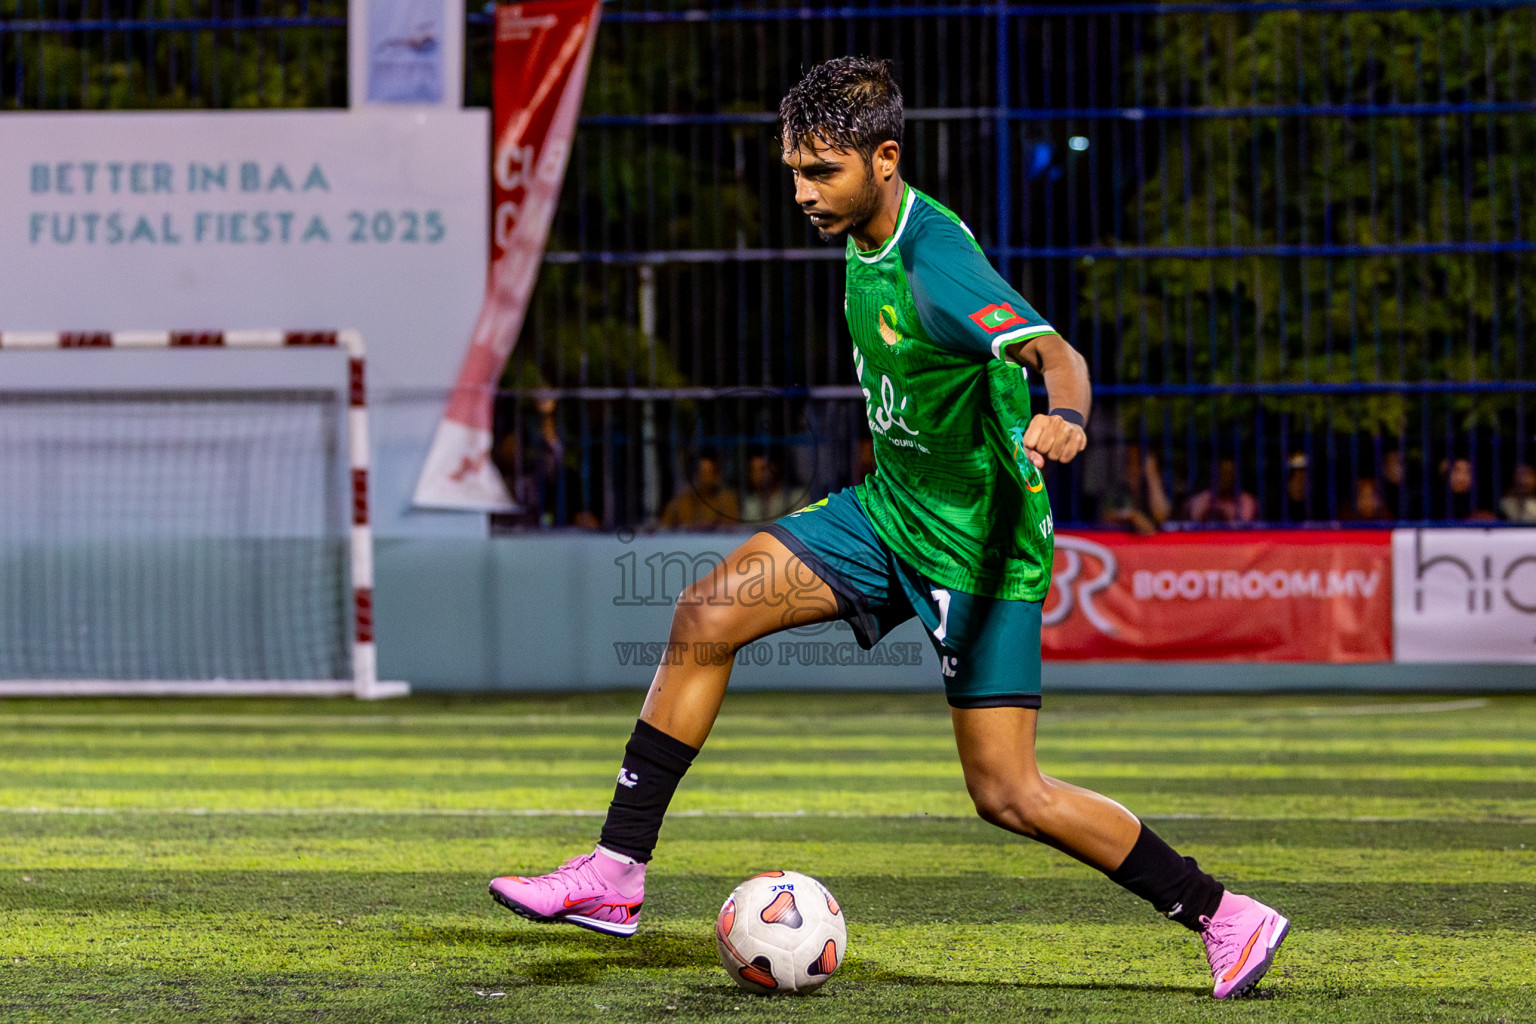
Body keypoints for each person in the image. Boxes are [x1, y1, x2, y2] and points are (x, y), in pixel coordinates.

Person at [487, 57, 1288, 1001]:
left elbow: (1054, 352)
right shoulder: (864, 230)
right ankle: (616, 874)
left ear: (886, 160)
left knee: (1008, 794)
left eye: (821, 171)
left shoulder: (933, 259)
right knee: (708, 613)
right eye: (793, 170)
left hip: (978, 548)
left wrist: (1065, 416)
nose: (802, 192)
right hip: (886, 514)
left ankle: (1223, 913)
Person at [658, 446, 742, 530]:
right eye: (702, 473)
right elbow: (663, 531)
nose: (706, 478)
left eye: (710, 472)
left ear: (717, 474)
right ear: (694, 474)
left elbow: (734, 532)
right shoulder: (680, 502)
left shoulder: (728, 500)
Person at [1100, 444, 1171, 536]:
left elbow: (1161, 514)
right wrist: (1133, 516)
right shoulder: (1118, 490)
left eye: (1138, 463)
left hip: (1154, 546)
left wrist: (1151, 475)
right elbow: (1106, 517)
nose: (1134, 469)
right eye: (1129, 462)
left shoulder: (1150, 489)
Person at [1182, 456, 1259, 525]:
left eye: (1229, 474)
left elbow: (1245, 529)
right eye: (1222, 473)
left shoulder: (1247, 502)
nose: (1225, 478)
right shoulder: (1198, 500)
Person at [738, 447, 797, 524]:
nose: (757, 475)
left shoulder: (794, 497)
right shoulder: (748, 501)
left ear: (776, 468)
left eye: (762, 469)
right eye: (753, 470)